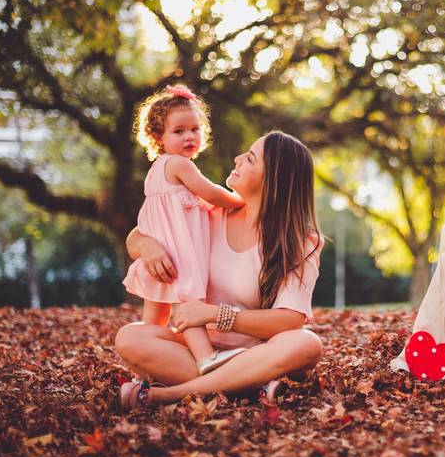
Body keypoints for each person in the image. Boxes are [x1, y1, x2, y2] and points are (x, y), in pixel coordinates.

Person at [115, 130, 325, 409]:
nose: (238, 158)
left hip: (259, 352)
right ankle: (249, 385)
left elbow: (289, 320)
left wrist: (214, 314)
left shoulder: (299, 241)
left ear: (274, 179)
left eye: (250, 158)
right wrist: (146, 245)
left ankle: (170, 394)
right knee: (130, 337)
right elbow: (140, 233)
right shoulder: (208, 213)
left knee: (306, 344)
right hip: (198, 351)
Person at [123, 84, 246, 376]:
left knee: (154, 317)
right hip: (177, 253)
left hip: (161, 254)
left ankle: (146, 367)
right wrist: (242, 201)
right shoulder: (179, 165)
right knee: (189, 304)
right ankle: (206, 357)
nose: (189, 136)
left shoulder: (156, 169)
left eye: (194, 129)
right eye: (178, 131)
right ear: (158, 137)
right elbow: (212, 193)